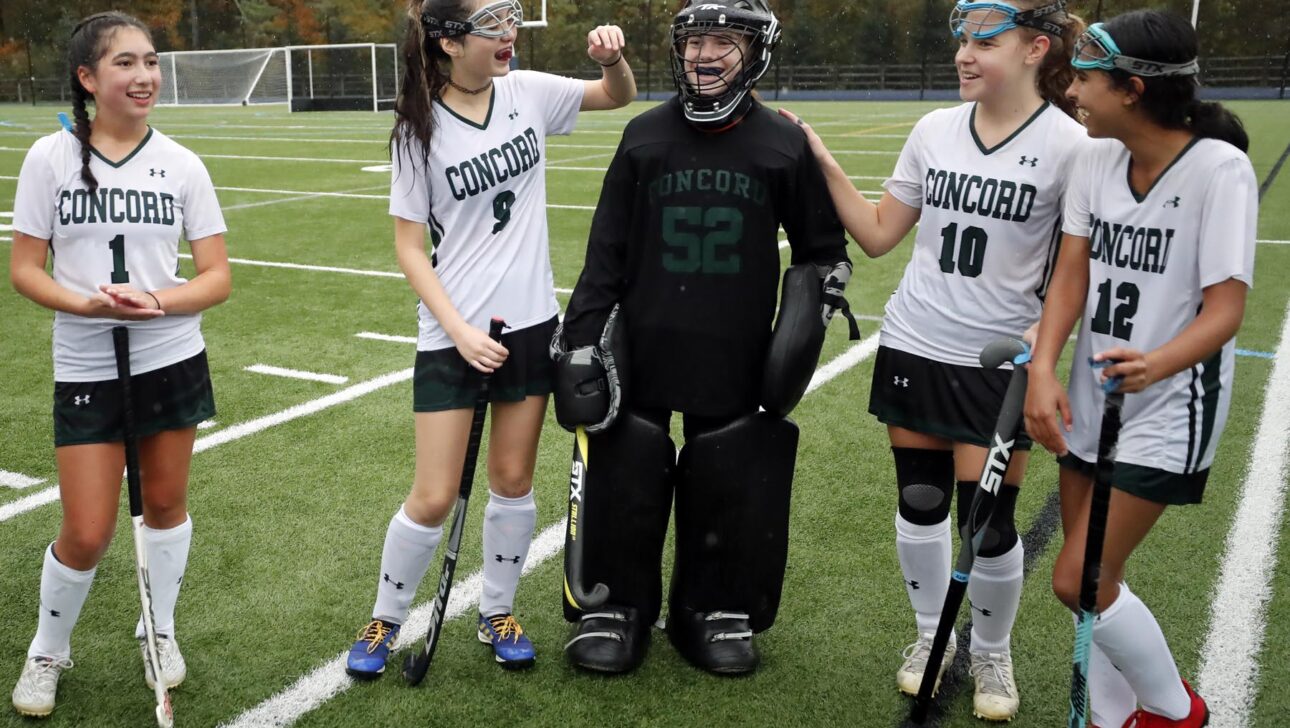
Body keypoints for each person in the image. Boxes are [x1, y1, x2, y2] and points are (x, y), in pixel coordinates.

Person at [779, 1, 1085, 719]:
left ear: (1036, 48)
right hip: (916, 341)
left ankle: (990, 651)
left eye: (987, 41)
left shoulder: (1073, 146)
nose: (965, 54)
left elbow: (1075, 272)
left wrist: (1044, 359)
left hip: (998, 360)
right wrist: (822, 160)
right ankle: (930, 639)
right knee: (919, 500)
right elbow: (882, 234)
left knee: (990, 522)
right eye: (961, 42)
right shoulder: (933, 130)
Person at [552, 0, 855, 677]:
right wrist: (578, 342)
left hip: (735, 347)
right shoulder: (643, 136)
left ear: (756, 52)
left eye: (723, 41)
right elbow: (605, 253)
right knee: (625, 468)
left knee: (729, 476)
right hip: (645, 342)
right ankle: (615, 604)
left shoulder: (783, 141)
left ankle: (713, 606)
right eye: (693, 41)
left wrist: (813, 308)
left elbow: (821, 247)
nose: (705, 54)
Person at [344, 0, 636, 677]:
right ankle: (385, 619)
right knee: (434, 494)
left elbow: (614, 96)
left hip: (532, 324)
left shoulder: (526, 92)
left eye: (511, 25)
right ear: (449, 43)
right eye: (492, 28)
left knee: (511, 480)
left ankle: (496, 610)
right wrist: (458, 329)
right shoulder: (416, 131)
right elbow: (409, 248)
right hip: (455, 333)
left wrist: (612, 59)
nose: (508, 38)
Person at [1024, 10, 1255, 727]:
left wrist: (1156, 363)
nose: (1073, 95)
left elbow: (1225, 310)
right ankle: (1109, 717)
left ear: (1131, 89)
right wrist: (1043, 369)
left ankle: (1174, 712)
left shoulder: (1221, 169)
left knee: (1077, 579)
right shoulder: (1094, 159)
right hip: (1095, 397)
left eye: (1087, 81)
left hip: (1170, 404)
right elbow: (1069, 277)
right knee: (1095, 583)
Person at [8, 11, 231, 718]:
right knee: (88, 528)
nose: (145, 77)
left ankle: (157, 629)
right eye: (126, 64)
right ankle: (48, 648)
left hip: (170, 357)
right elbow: (24, 268)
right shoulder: (49, 158)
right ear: (87, 77)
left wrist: (157, 301)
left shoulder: (183, 163)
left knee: (164, 507)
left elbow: (216, 277)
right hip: (86, 365)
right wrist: (87, 305)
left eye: (151, 62)